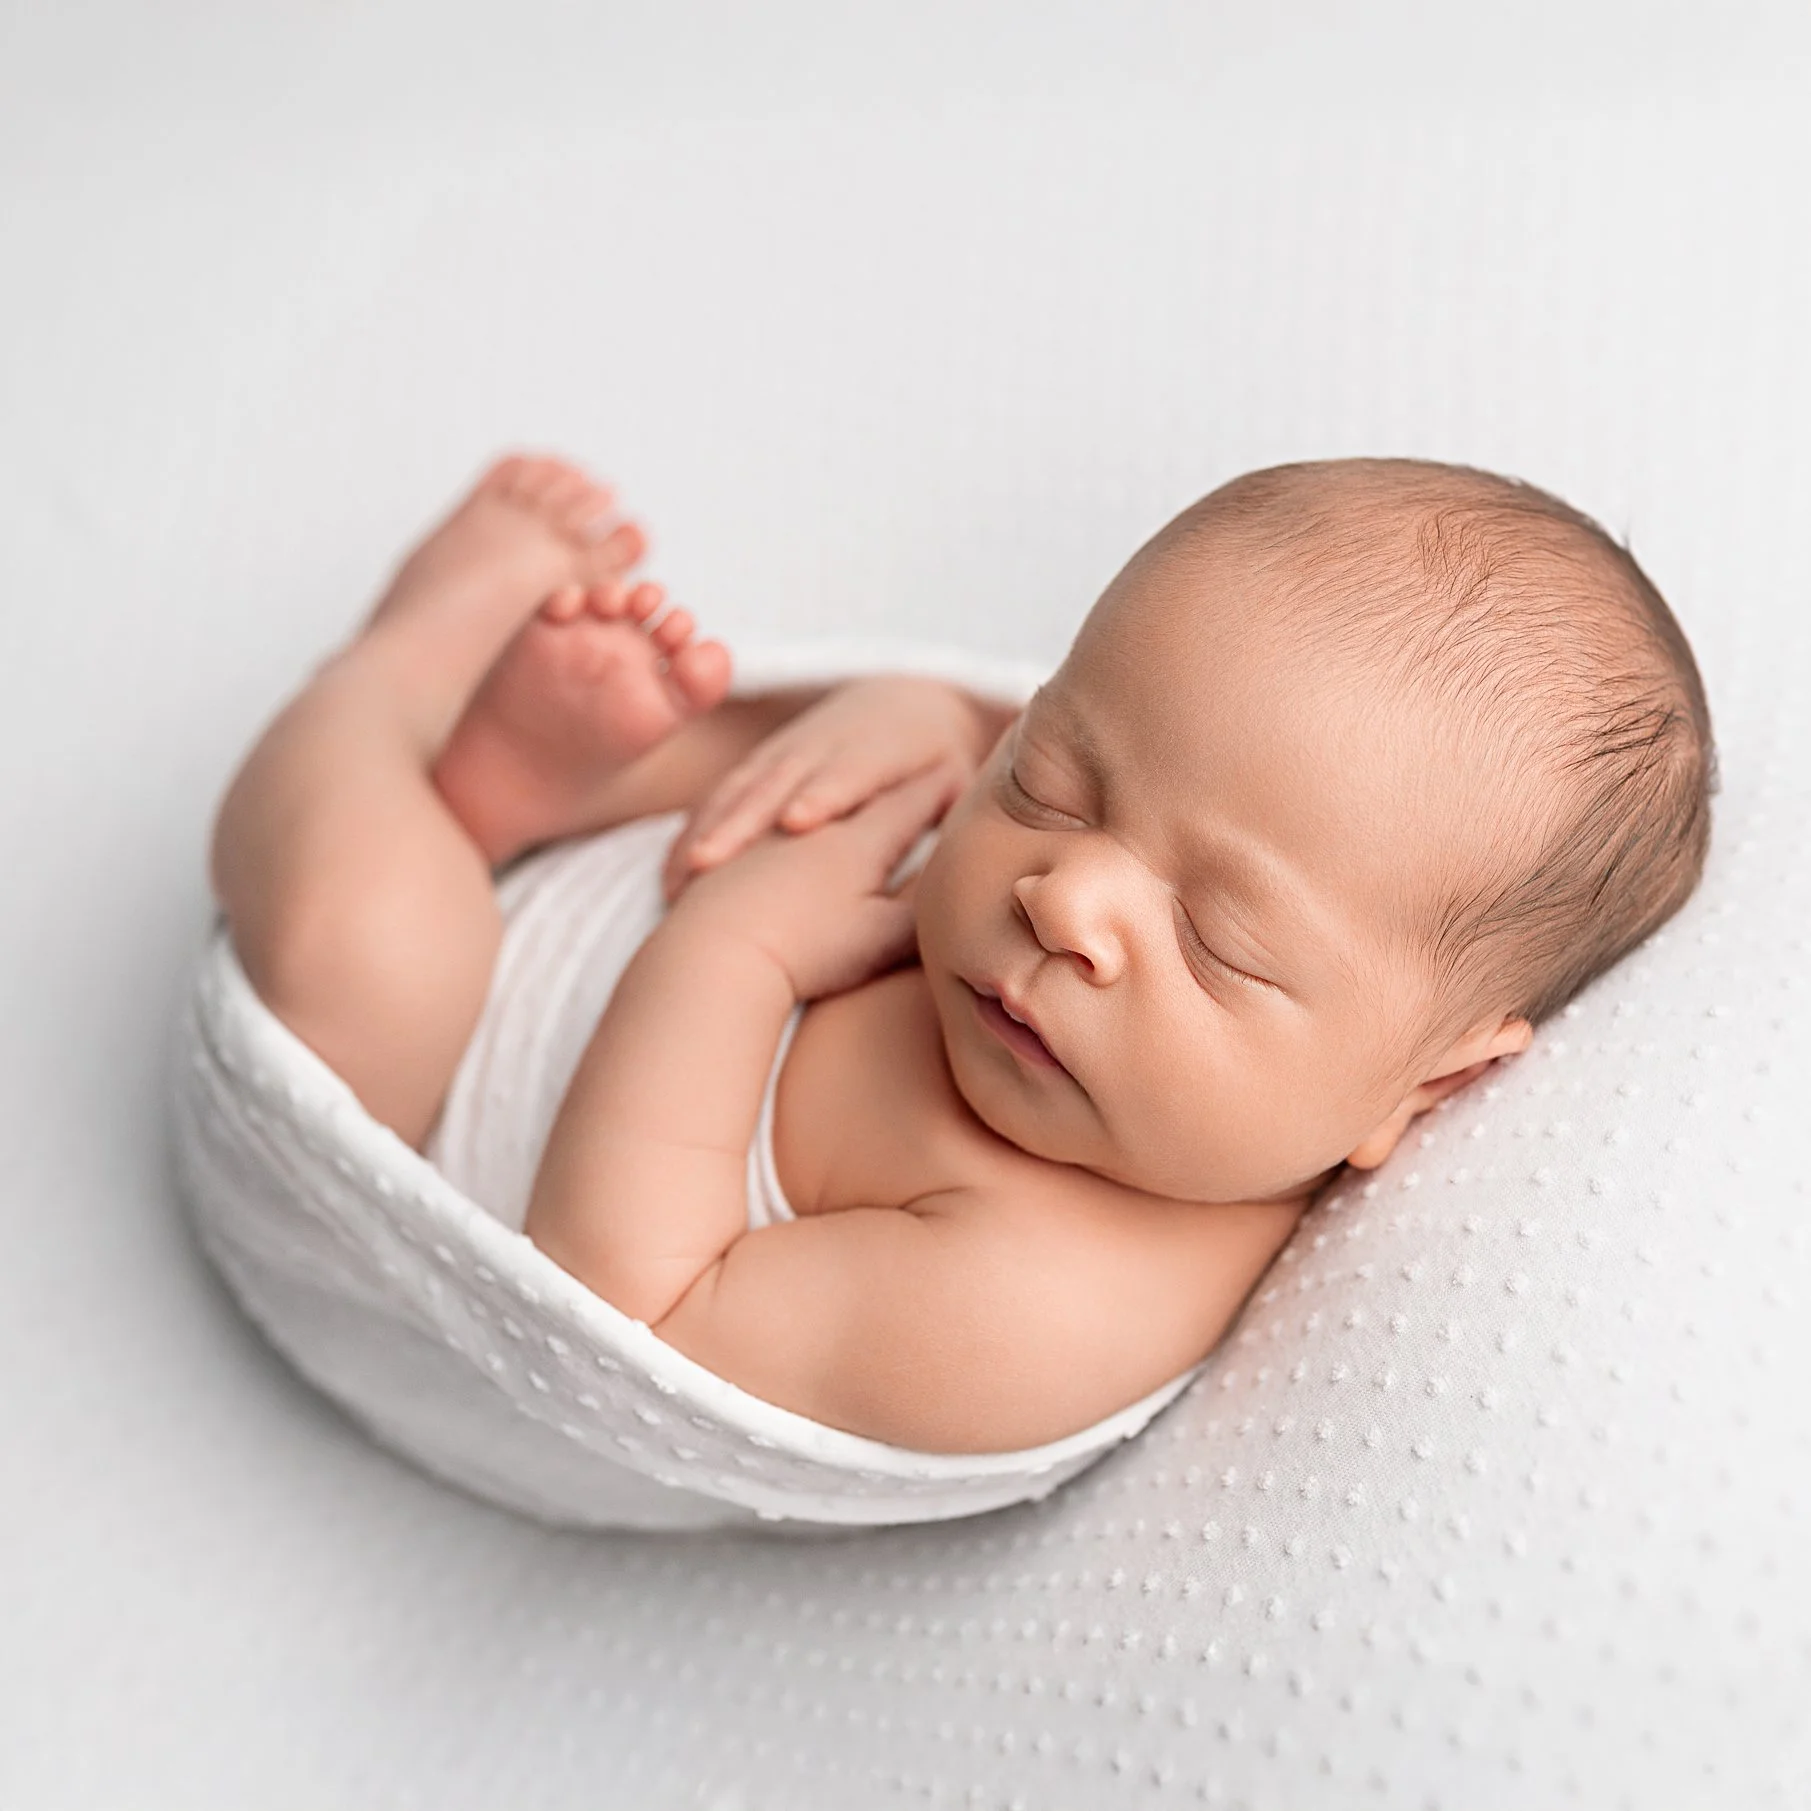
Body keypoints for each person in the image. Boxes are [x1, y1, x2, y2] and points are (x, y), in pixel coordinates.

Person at [209, 452, 1713, 1454]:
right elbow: (1023, 740)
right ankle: (512, 794)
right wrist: (929, 724)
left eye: (1219, 940)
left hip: (397, 1152)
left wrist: (731, 955)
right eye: (1055, 782)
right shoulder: (1133, 899)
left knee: (375, 959)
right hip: (607, 908)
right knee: (832, 761)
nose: (1068, 897)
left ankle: (399, 678)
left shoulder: (1051, 1305)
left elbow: (615, 1324)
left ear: (1428, 1082)